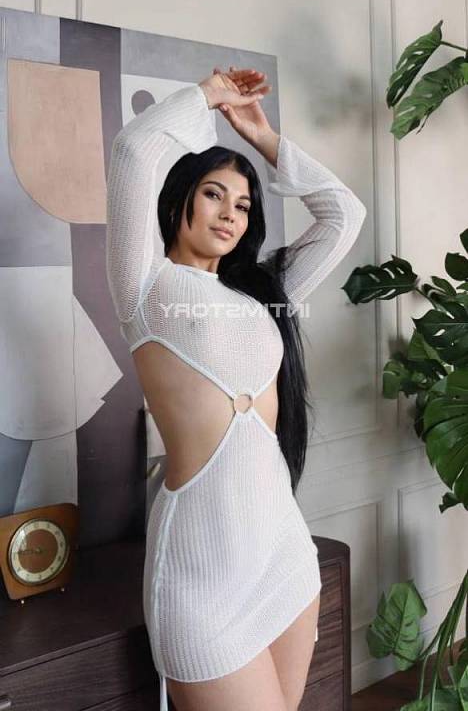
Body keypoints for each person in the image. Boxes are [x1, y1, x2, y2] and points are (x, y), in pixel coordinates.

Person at [106, 67, 366, 711]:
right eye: (214, 194)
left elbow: (343, 215)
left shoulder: (262, 293)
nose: (230, 213)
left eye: (244, 205)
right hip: (201, 577)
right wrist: (207, 97)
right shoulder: (146, 288)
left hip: (282, 554)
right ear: (181, 199)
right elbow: (134, 151)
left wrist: (263, 137)